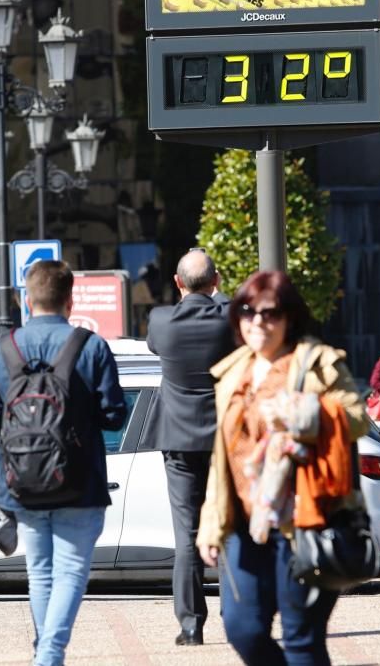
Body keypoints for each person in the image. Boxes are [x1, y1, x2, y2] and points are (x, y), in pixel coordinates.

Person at [196, 270, 370, 666]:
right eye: (247, 311)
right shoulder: (232, 372)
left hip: (304, 520)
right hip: (244, 523)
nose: (258, 321)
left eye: (270, 313)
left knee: (302, 638)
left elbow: (357, 418)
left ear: (289, 317)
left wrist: (303, 412)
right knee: (243, 629)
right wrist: (210, 524)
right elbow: (222, 457)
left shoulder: (316, 363)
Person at [0, 260, 127, 666]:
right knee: (71, 573)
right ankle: (49, 655)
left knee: (40, 573)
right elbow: (114, 414)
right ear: (70, 299)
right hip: (81, 479)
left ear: (26, 299)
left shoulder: (1, 349)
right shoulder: (90, 346)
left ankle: (47, 654)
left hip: (20, 482)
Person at [146, 249, 236, 646]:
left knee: (186, 536)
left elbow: (153, 346)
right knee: (232, 530)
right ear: (215, 282)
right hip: (224, 441)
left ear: (177, 283)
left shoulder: (160, 321)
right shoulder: (229, 316)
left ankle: (190, 626)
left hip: (178, 440)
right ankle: (237, 617)